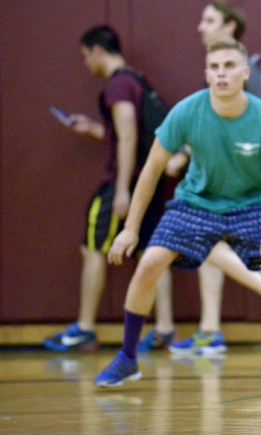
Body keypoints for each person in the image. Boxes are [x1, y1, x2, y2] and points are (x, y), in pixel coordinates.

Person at [94, 38, 261, 388]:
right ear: (207, 74)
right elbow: (151, 170)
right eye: (214, 67)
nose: (221, 73)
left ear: (245, 73)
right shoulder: (186, 112)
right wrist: (131, 228)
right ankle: (126, 358)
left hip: (252, 203)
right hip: (196, 202)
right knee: (150, 261)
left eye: (229, 66)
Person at [153, 0, 261, 355]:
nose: (201, 27)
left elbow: (257, 133)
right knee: (205, 243)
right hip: (215, 190)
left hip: (254, 190)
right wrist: (185, 153)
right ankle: (209, 329)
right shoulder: (212, 79)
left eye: (210, 20)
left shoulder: (254, 81)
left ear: (230, 27)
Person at [43, 25, 175, 352]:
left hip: (128, 181)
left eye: (86, 55)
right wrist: (93, 130)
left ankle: (86, 328)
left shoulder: (117, 85)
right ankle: (165, 327)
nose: (87, 63)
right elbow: (129, 135)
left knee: (92, 247)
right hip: (152, 178)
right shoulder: (136, 79)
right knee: (151, 251)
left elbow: (129, 136)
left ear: (98, 51)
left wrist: (121, 189)